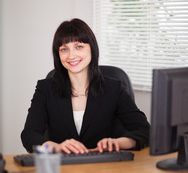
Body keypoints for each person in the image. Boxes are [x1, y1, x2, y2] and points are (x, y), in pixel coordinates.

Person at [21, 18, 150, 154]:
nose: (71, 55)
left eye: (79, 47)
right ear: (58, 55)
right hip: (62, 168)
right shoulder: (45, 89)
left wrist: (117, 143)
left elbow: (145, 130)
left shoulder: (114, 88)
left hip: (105, 168)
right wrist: (55, 147)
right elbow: (29, 135)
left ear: (92, 49)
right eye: (64, 49)